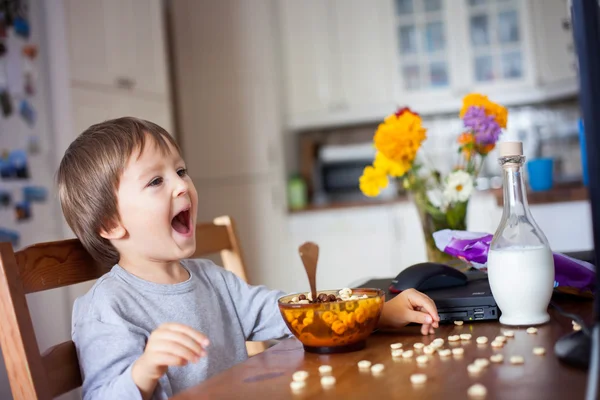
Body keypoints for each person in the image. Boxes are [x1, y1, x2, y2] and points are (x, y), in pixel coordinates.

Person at [57, 117, 440, 400]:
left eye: (180, 170)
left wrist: (380, 314)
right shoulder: (107, 306)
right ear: (111, 223)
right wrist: (144, 370)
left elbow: (290, 315)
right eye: (156, 181)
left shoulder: (211, 278)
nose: (181, 185)